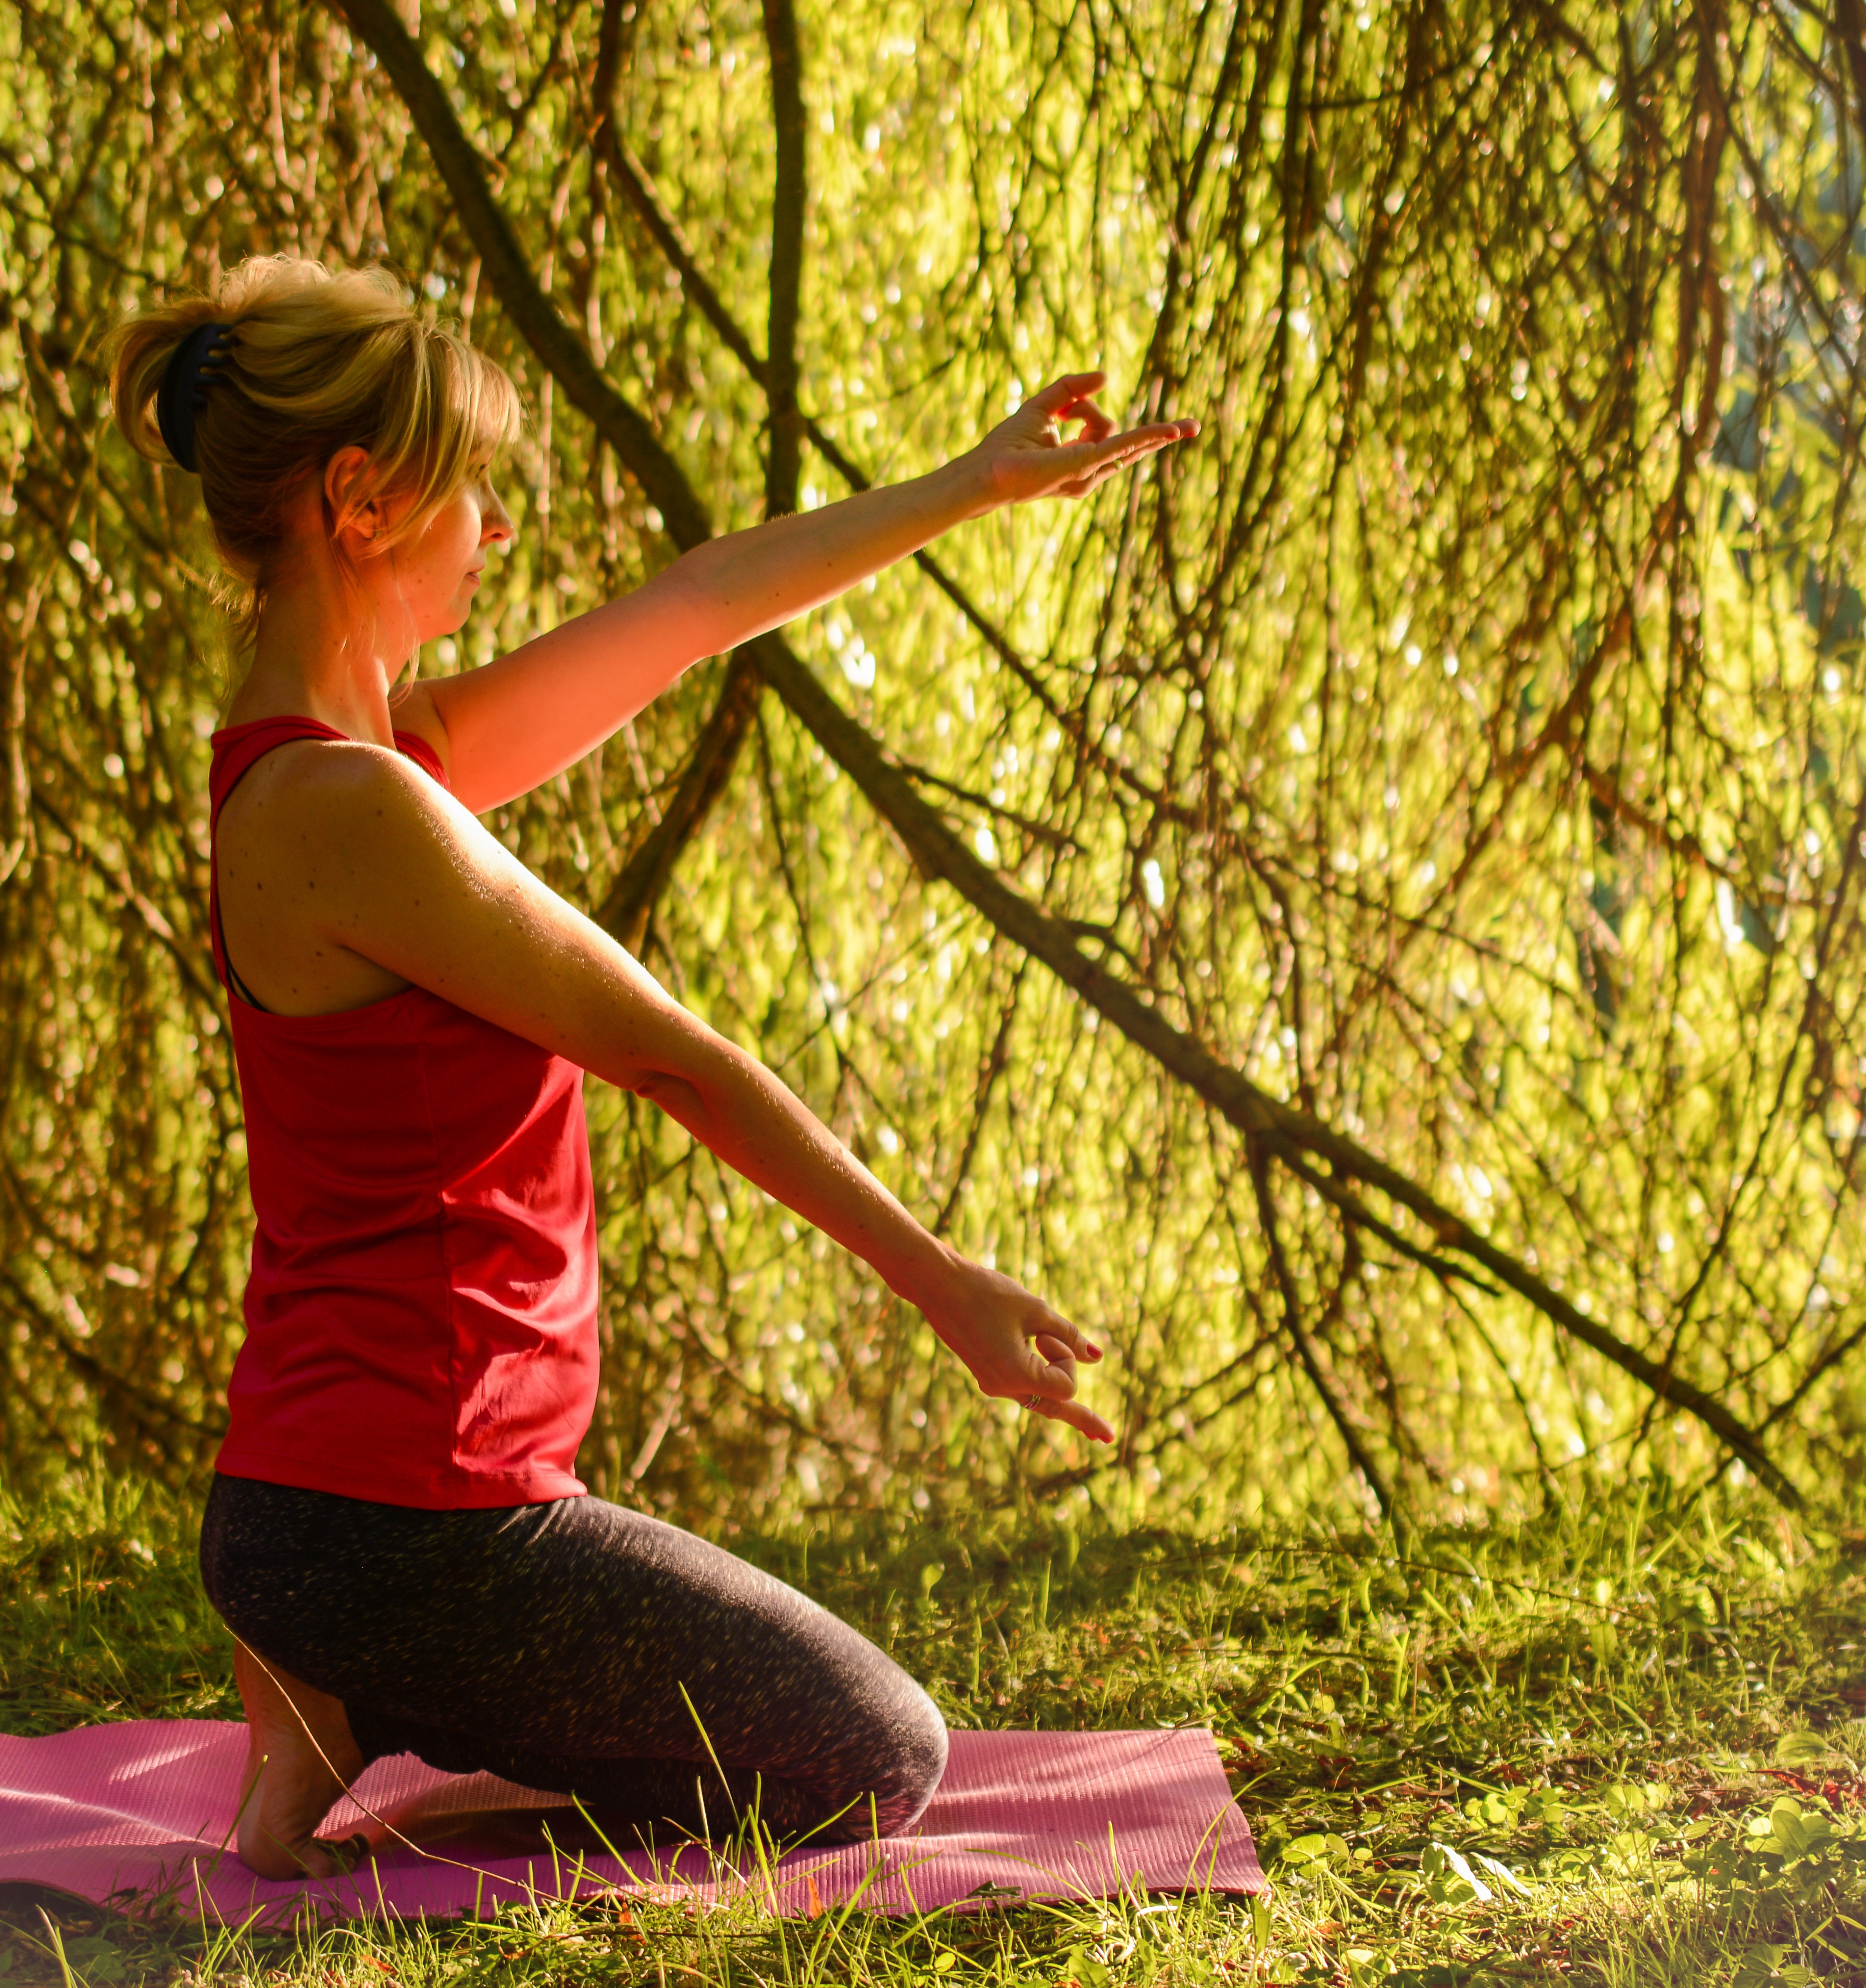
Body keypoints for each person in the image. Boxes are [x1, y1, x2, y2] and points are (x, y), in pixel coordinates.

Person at [107, 256, 1193, 1881]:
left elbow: (699, 607)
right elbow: (680, 1061)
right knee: (874, 1753)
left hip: (328, 1511)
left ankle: (324, 1709)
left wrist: (973, 483)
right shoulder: (356, 811)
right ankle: (383, 1739)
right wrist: (941, 1281)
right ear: (360, 500)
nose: (498, 523)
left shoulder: (370, 767)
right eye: (471, 484)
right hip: (419, 1527)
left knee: (805, 1731)